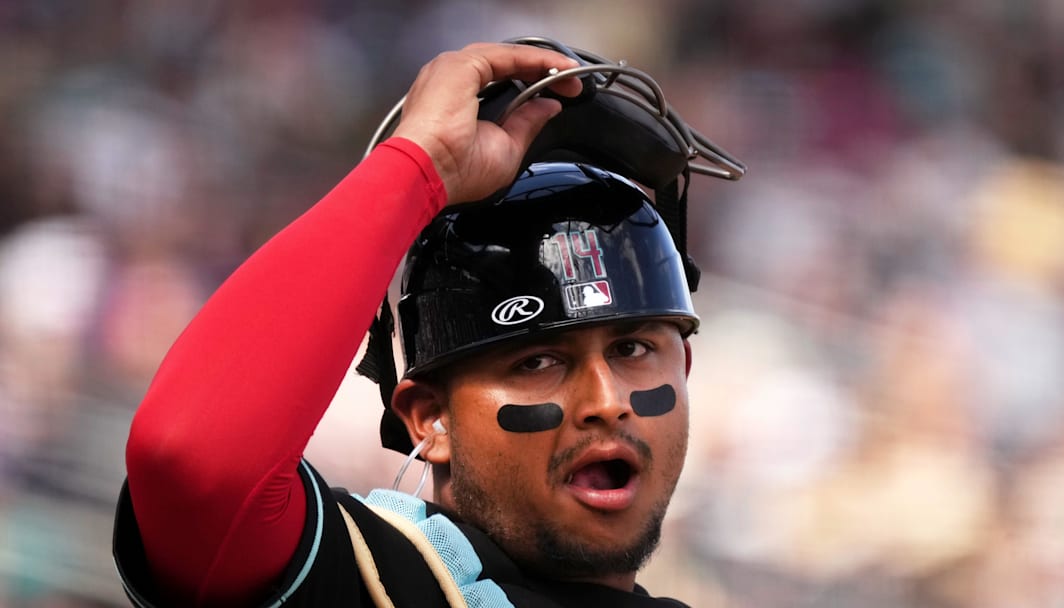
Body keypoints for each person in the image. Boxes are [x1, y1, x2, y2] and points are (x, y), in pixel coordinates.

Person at [113, 41, 713, 607]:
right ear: (430, 419)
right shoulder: (373, 576)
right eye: (537, 361)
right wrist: (421, 165)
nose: (607, 402)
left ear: (684, 368)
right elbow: (195, 466)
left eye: (633, 349)